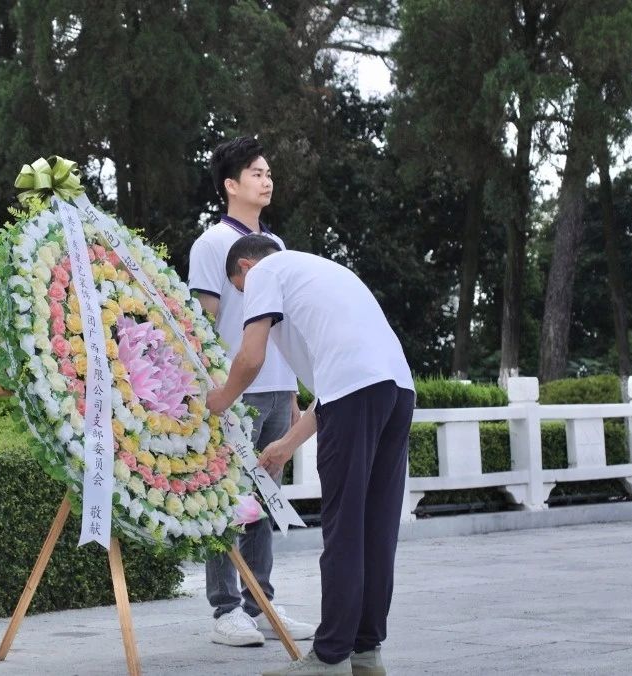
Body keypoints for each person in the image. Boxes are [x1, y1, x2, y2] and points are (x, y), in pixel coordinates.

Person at [206, 235, 415, 676]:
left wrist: (219, 400)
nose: (246, 299)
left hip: (356, 394)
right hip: (398, 391)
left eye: (240, 291)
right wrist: (286, 444)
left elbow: (250, 357)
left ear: (245, 267)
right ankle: (366, 652)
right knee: (376, 530)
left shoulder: (265, 271)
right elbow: (337, 390)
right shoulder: (322, 271)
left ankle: (331, 656)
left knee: (344, 529)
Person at [188, 137, 315, 648]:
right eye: (257, 173)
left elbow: (285, 325)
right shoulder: (211, 243)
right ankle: (225, 609)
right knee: (225, 499)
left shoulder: (276, 244)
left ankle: (260, 601)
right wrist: (211, 391)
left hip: (278, 387)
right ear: (230, 184)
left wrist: (293, 392)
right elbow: (203, 323)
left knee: (264, 498)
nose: (267, 181)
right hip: (234, 392)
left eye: (269, 173)